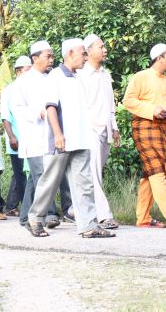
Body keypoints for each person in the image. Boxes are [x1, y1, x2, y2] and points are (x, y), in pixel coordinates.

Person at [27, 39, 114, 238]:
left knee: (85, 184)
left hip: (81, 139)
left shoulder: (79, 77)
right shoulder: (56, 76)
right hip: (62, 140)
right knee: (50, 181)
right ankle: (35, 218)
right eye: (83, 53)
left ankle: (88, 226)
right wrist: (58, 134)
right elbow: (51, 107)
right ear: (70, 53)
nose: (85, 57)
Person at [123, 43, 166, 228]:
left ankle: (143, 218)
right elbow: (128, 101)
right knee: (157, 169)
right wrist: (152, 109)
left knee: (150, 172)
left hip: (162, 128)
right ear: (159, 58)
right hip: (144, 127)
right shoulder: (141, 76)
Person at [11, 41, 60, 228]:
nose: (51, 60)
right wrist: (36, 113)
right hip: (33, 135)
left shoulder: (52, 78)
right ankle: (49, 214)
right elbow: (17, 108)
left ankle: (25, 216)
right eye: (48, 56)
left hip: (50, 135)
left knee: (35, 178)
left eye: (52, 56)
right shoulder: (23, 80)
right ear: (35, 58)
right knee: (42, 175)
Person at [78, 34, 121, 229]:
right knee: (94, 174)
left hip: (105, 128)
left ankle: (75, 208)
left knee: (94, 172)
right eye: (100, 47)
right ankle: (104, 216)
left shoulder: (104, 74)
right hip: (89, 129)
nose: (104, 50)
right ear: (88, 52)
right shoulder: (81, 75)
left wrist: (114, 127)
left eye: (104, 47)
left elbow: (110, 104)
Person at [0, 55, 32, 216]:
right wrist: (12, 137)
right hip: (17, 140)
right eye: (27, 70)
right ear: (18, 72)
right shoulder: (9, 90)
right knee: (21, 176)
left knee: (30, 174)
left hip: (31, 139)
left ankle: (15, 206)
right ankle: (27, 209)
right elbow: (5, 117)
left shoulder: (32, 88)